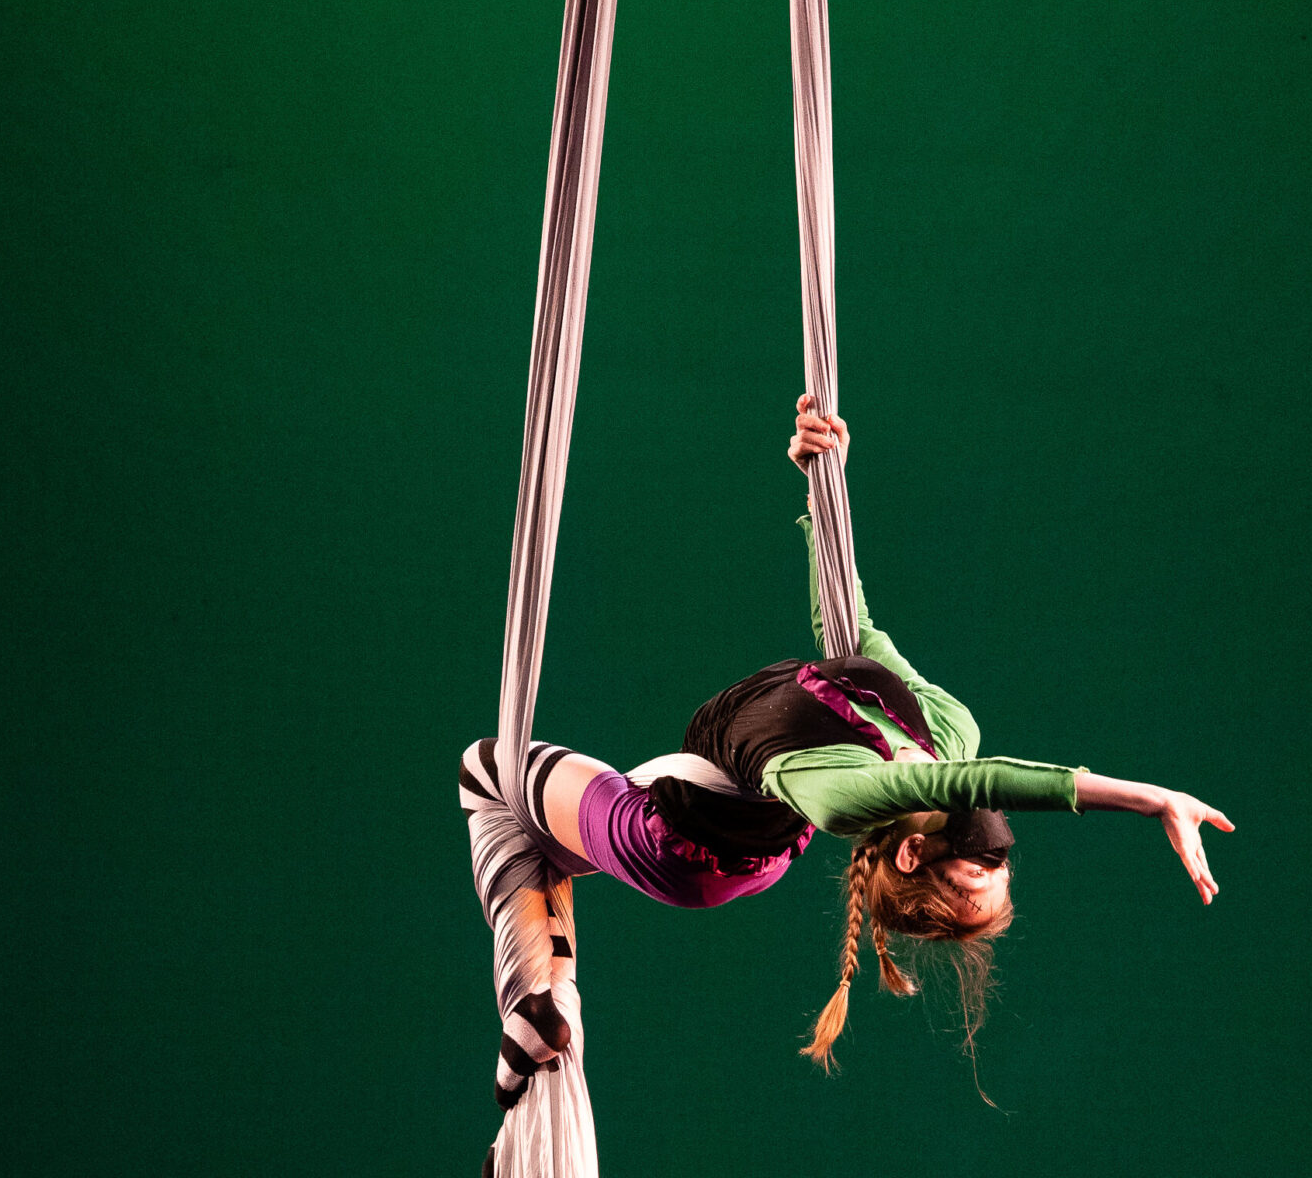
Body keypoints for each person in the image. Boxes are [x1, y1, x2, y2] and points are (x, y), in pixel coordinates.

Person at [461, 398, 1232, 1096]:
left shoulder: (847, 798)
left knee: (488, 773)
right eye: (1000, 867)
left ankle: (545, 1000)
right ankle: (540, 1008)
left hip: (676, 847)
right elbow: (854, 634)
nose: (996, 850)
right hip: (722, 829)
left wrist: (1149, 799)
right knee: (540, 855)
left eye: (976, 867)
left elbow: (989, 780)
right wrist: (821, 491)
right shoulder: (946, 732)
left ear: (911, 854)